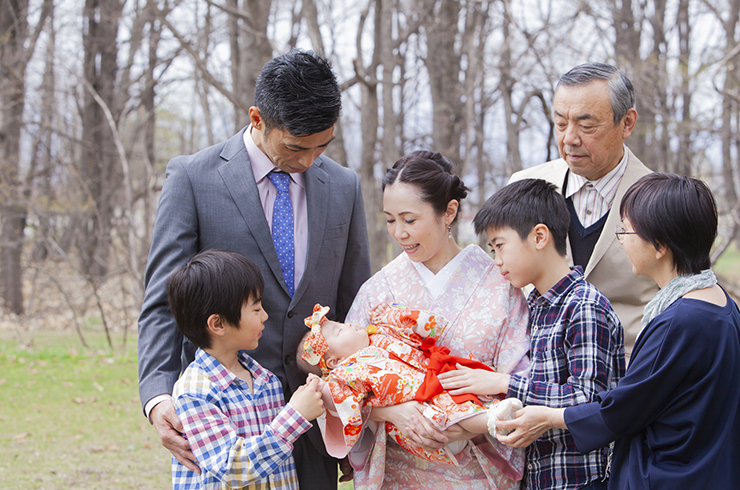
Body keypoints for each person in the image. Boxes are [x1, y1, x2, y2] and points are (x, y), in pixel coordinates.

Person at [137, 50, 371, 490]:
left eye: (323, 146)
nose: (309, 160)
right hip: (226, 421)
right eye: (296, 147)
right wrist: (157, 396)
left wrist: (356, 415)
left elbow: (353, 303)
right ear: (257, 118)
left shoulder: (344, 186)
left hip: (320, 419)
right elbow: (161, 303)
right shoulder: (193, 177)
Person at [495, 173, 740, 490]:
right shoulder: (720, 303)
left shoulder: (681, 322)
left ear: (660, 244)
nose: (622, 240)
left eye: (626, 230)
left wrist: (547, 417)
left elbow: (624, 409)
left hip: (676, 475)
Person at [344, 150, 530, 489]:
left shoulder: (500, 287)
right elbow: (342, 382)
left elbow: (520, 381)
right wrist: (389, 412)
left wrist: (466, 422)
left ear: (449, 212)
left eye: (410, 220)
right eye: (390, 220)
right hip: (396, 474)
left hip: (474, 473)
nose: (398, 233)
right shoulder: (378, 290)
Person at [439, 178, 624, 490]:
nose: (496, 261)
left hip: (584, 479)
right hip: (540, 477)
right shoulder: (532, 306)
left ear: (539, 236)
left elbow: (590, 401)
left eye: (500, 246)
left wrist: (504, 383)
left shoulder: (584, 307)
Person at [510, 62, 657, 359]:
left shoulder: (659, 200)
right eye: (561, 123)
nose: (569, 139)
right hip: (536, 378)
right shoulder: (521, 188)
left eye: (586, 126)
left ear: (627, 123)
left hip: (631, 380)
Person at [296, 302, 523, 474]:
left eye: (343, 324)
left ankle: (498, 411)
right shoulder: (346, 373)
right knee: (447, 411)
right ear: (334, 362)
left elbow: (422, 328)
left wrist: (390, 314)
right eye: (340, 331)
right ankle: (495, 422)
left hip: (435, 382)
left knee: (462, 388)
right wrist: (321, 386)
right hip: (420, 417)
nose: (351, 324)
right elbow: (342, 406)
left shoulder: (379, 335)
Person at [167, 250, 324, 489]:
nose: (265, 316)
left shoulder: (266, 380)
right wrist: (295, 415)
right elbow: (233, 468)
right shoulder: (195, 392)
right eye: (256, 308)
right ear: (218, 324)